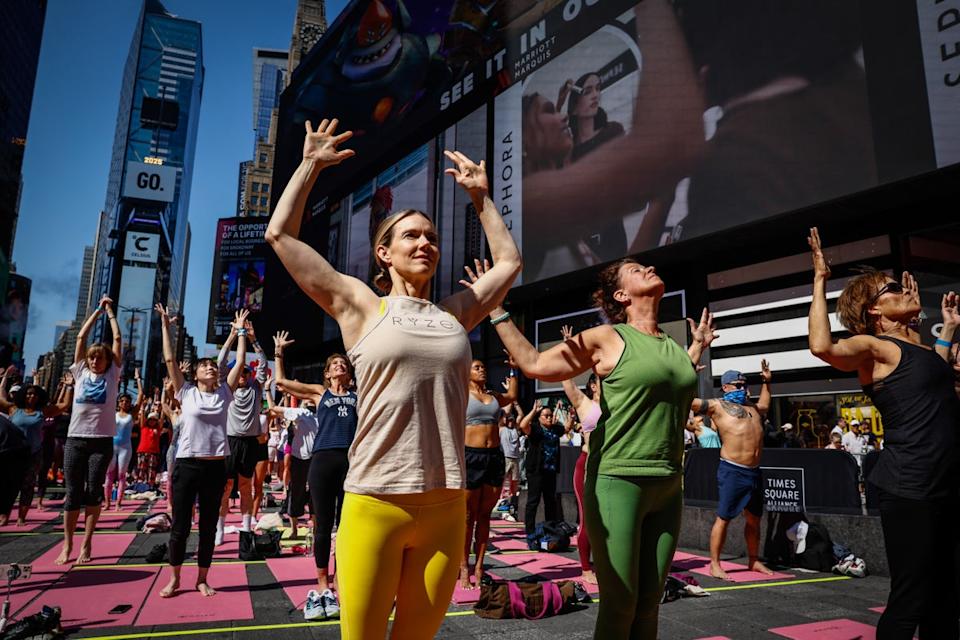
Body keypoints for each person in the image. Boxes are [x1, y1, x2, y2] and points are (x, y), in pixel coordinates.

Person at [266, 117, 520, 639]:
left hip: (446, 502)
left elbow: (509, 261)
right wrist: (310, 165)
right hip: (374, 501)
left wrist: (482, 198)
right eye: (411, 235)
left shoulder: (455, 314)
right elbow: (280, 234)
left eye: (431, 236)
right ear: (384, 253)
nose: (425, 242)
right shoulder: (362, 305)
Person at [485, 258, 714, 639]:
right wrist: (496, 310)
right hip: (618, 481)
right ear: (621, 295)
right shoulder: (607, 338)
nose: (650, 267)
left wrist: (697, 348)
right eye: (637, 269)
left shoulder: (672, 346)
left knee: (649, 600)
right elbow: (535, 363)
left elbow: (666, 384)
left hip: (669, 485)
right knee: (620, 602)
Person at [808, 227, 960, 639]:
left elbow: (937, 373)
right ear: (875, 312)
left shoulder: (920, 350)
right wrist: (820, 278)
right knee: (911, 597)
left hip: (944, 483)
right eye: (892, 289)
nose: (905, 290)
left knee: (946, 597)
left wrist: (947, 329)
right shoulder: (876, 348)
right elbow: (822, 347)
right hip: (910, 486)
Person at [520, 0, 705, 281]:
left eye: (599, 89)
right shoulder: (532, 204)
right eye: (549, 111)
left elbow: (620, 278)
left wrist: (660, 201)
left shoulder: (557, 218)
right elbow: (672, 146)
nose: (561, 118)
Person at [156, 305, 246, 598]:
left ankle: (202, 578)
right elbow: (169, 358)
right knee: (180, 526)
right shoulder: (187, 392)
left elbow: (240, 361)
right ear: (195, 375)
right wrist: (165, 325)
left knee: (207, 526)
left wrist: (240, 332)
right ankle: (175, 578)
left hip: (215, 467)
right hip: (187, 465)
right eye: (204, 365)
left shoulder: (225, 392)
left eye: (212, 365)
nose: (210, 367)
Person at [273, 331, 358, 621]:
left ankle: (342, 580)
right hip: (323, 461)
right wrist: (279, 353)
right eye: (334, 364)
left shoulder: (360, 395)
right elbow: (281, 382)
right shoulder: (319, 393)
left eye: (343, 363)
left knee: (347, 527)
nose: (339, 366)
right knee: (322, 524)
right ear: (327, 372)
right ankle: (322, 585)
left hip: (352, 462)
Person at [691, 363, 774, 579]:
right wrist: (690, 375)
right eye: (737, 385)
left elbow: (765, 403)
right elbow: (690, 402)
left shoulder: (752, 408)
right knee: (724, 517)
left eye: (744, 385)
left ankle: (754, 560)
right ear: (726, 387)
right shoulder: (716, 406)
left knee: (754, 519)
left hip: (754, 471)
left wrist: (766, 381)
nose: (743, 389)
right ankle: (715, 564)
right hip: (733, 470)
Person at [57, 295, 122, 565]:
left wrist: (111, 314)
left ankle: (87, 543)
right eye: (92, 358)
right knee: (73, 493)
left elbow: (117, 341)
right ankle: (67, 545)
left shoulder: (112, 375)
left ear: (107, 361)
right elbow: (82, 339)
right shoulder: (81, 370)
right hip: (76, 440)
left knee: (94, 490)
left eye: (100, 358)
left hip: (101, 441)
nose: (95, 361)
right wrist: (97, 311)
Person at [459, 353, 518, 589]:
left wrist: (514, 370)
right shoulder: (461, 394)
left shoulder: (493, 396)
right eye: (477, 367)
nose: (482, 370)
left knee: (484, 515)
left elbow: (512, 396)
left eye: (483, 366)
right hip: (470, 457)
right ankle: (464, 567)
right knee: (467, 517)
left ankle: (481, 566)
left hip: (494, 457)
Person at [215, 320, 268, 545]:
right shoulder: (227, 388)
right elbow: (219, 362)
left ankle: (246, 528)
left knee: (246, 486)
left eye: (246, 372)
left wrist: (253, 339)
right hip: (229, 441)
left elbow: (264, 364)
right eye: (240, 372)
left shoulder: (256, 387)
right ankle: (219, 528)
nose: (243, 375)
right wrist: (233, 335)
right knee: (225, 488)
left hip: (249, 444)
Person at [0, 369, 72, 525]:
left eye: (34, 394)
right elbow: (1, 398)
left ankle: (21, 517)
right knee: (8, 484)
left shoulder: (42, 411)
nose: (31, 396)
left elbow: (64, 404)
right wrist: (4, 378)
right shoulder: (13, 409)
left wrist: (69, 386)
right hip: (14, 453)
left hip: (34, 453)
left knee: (28, 485)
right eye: (28, 393)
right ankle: (4, 515)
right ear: (23, 395)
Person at [558, 330, 601, 585]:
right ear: (594, 384)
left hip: (611, 466)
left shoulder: (618, 403)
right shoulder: (585, 403)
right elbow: (566, 380)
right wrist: (569, 348)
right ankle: (586, 567)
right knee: (588, 518)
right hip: (586, 465)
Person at [266, 392, 317, 540]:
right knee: (295, 494)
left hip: (316, 458)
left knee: (315, 496)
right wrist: (268, 391)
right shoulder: (301, 413)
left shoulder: (324, 412)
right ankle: (294, 530)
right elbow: (274, 409)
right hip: (299, 458)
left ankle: (314, 531)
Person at [104, 369, 144, 511]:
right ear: (119, 403)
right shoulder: (112, 413)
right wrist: (116, 381)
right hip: (111, 446)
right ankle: (108, 502)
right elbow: (110, 393)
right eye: (123, 401)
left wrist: (138, 379)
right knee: (109, 475)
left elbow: (140, 395)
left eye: (127, 401)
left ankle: (118, 503)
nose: (125, 403)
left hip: (125, 448)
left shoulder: (131, 415)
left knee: (121, 476)